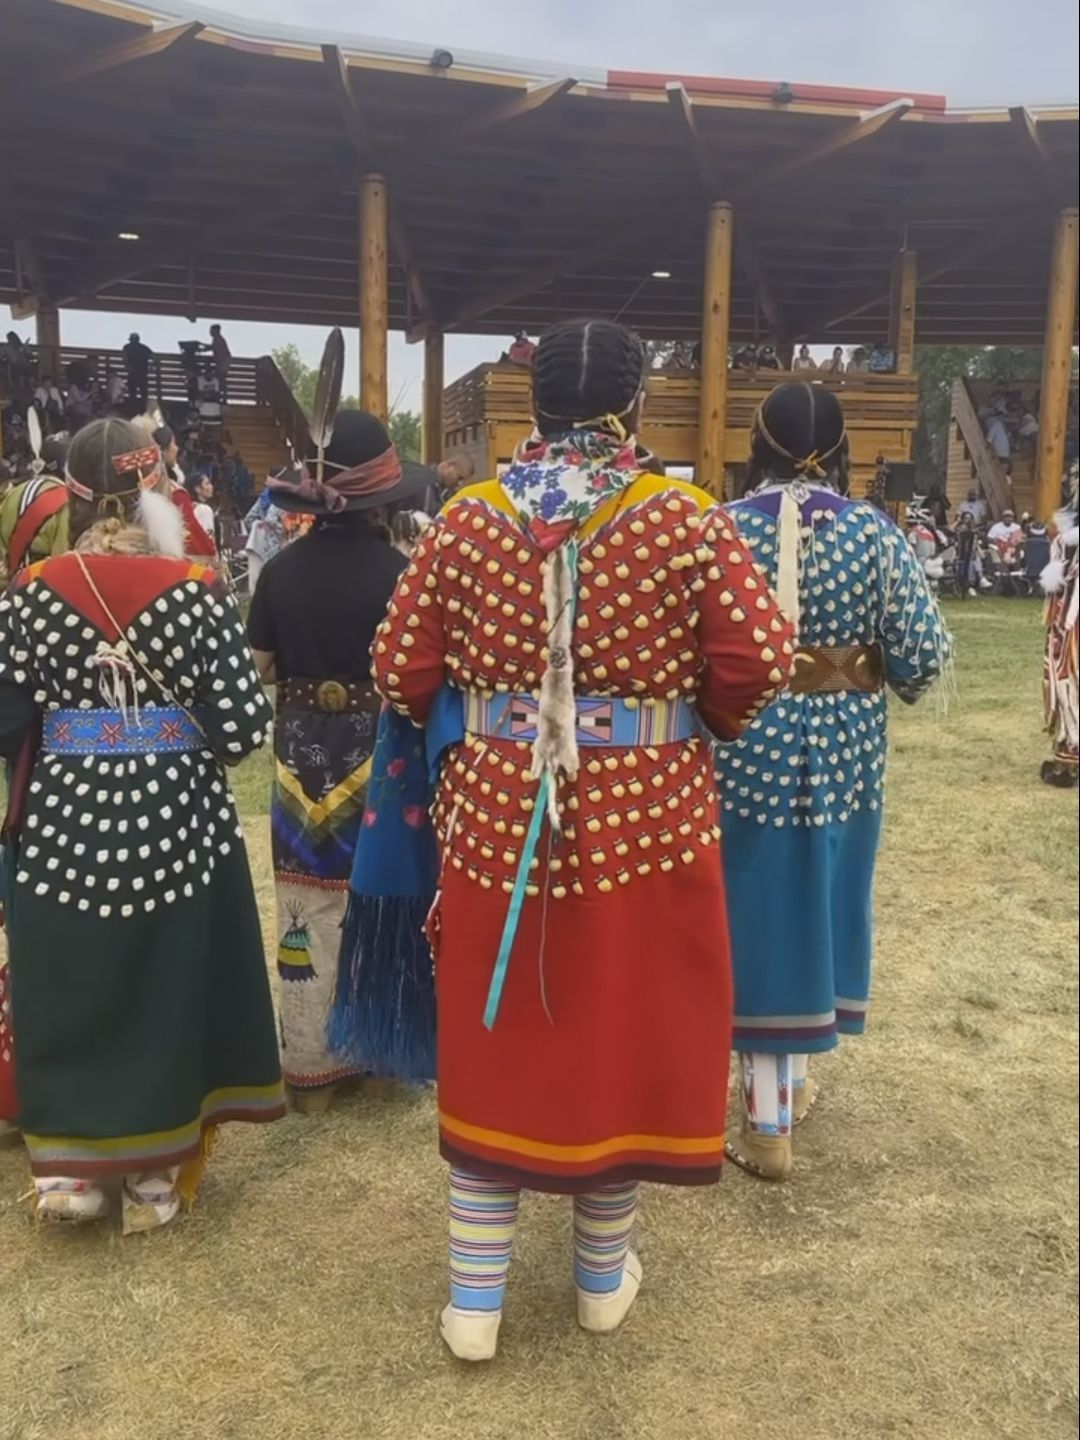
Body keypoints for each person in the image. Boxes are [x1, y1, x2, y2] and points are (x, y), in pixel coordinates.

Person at [372, 317, 794, 1361]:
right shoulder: (685, 519)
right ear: (635, 406)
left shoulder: (466, 521)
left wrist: (477, 719)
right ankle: (602, 1283)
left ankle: (476, 1305)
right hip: (646, 817)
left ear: (531, 406)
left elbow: (399, 669)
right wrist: (692, 721)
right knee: (620, 1031)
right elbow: (754, 661)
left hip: (494, 812)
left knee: (497, 1029)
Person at [0, 417, 283, 1227]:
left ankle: (72, 1177)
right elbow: (238, 731)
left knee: (70, 971)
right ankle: (156, 1178)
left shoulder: (31, 590)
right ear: (155, 485)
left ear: (72, 494)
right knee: (167, 974)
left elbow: (4, 716)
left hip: (63, 814)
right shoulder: (195, 591)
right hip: (175, 812)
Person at [714, 381, 951, 1183]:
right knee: (820, 897)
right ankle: (781, 1100)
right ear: (841, 446)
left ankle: (769, 1106)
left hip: (740, 744)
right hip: (847, 747)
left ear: (762, 444)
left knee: (753, 906)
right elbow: (920, 655)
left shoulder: (721, 529)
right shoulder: (875, 536)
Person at [248, 410, 434, 1112]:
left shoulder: (280, 574)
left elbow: (259, 667)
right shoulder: (402, 573)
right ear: (382, 501)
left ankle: (310, 1072)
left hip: (300, 758)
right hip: (383, 760)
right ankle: (383, 1057)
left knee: (305, 904)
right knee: (385, 901)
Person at [1039, 475, 1078, 787]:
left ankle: (1070, 757)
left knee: (1069, 680)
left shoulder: (1067, 541)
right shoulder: (1066, 540)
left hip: (1071, 625)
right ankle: (1069, 753)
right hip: (1066, 622)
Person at [243, 485, 286, 593]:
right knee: (273, 575)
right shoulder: (279, 499)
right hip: (274, 543)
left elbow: (248, 519)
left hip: (255, 542)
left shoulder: (263, 497)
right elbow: (270, 519)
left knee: (256, 576)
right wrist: (284, 530)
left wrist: (257, 527)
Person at [121, 333, 152, 412]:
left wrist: (127, 366)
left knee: (133, 393)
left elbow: (124, 358)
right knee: (143, 393)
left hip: (133, 373)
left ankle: (133, 408)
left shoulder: (127, 347)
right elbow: (153, 357)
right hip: (142, 373)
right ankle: (143, 409)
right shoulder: (144, 348)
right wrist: (150, 366)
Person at [188, 473, 217, 543]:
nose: (211, 486)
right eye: (207, 484)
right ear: (197, 489)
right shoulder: (204, 510)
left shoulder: (190, 507)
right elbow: (209, 538)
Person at [208, 324, 231, 400]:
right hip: (223, 362)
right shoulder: (218, 339)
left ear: (215, 331)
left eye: (211, 330)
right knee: (220, 379)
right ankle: (222, 396)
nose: (210, 332)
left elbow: (214, 348)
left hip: (223, 362)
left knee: (221, 379)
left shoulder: (218, 339)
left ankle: (223, 397)